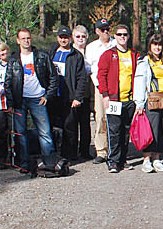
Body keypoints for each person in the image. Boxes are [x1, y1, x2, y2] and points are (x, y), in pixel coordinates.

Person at [4, 29, 59, 172]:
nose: (26, 41)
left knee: (45, 132)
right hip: (20, 101)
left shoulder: (42, 56)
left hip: (38, 99)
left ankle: (49, 162)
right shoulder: (14, 59)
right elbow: (8, 82)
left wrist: (47, 96)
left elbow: (53, 77)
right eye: (23, 38)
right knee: (20, 133)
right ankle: (24, 164)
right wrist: (10, 103)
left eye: (28, 38)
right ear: (18, 41)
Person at [97, 24, 140, 173]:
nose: (122, 37)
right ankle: (113, 160)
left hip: (129, 100)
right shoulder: (108, 55)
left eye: (125, 34)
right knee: (114, 130)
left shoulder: (134, 54)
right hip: (114, 99)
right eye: (120, 34)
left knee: (126, 131)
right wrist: (105, 95)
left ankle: (123, 159)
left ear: (128, 36)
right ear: (115, 36)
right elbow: (101, 75)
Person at [133, 33, 163, 173]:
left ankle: (157, 158)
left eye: (160, 44)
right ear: (150, 46)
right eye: (155, 44)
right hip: (151, 100)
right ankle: (146, 159)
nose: (157, 47)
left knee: (161, 130)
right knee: (150, 130)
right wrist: (139, 103)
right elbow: (139, 82)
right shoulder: (144, 61)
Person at [48, 27, 88, 162]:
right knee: (52, 125)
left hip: (69, 96)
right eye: (61, 37)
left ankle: (70, 155)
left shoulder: (76, 55)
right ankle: (52, 153)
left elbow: (82, 78)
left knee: (69, 126)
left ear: (70, 38)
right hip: (54, 95)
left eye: (66, 37)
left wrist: (78, 97)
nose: (63, 40)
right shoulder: (51, 52)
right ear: (57, 38)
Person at [85, 18, 115, 164]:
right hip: (100, 88)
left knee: (116, 119)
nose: (106, 32)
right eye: (102, 29)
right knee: (100, 119)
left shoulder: (116, 43)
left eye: (108, 29)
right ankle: (101, 151)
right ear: (97, 31)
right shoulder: (91, 48)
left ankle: (115, 149)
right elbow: (88, 68)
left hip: (117, 88)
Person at [71, 25, 92, 160]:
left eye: (83, 36)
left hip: (87, 90)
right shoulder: (69, 51)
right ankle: (72, 151)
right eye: (77, 36)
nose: (80, 39)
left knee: (85, 123)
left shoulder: (90, 51)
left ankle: (85, 150)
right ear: (73, 37)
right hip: (73, 91)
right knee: (72, 123)